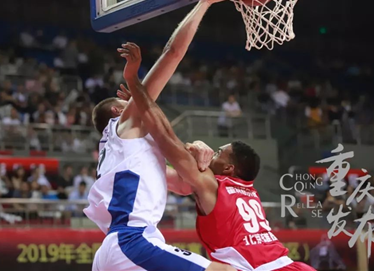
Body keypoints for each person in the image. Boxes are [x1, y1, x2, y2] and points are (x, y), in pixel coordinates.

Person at [123, 43, 316, 271]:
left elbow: (166, 138)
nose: (212, 154)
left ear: (228, 169)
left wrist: (137, 87)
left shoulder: (214, 185)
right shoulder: (249, 191)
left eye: (218, 153)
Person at [85, 0, 235, 271]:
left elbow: (184, 184)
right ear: (119, 112)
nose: (134, 101)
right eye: (126, 102)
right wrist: (206, 2)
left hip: (113, 250)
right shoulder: (125, 121)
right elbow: (173, 53)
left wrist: (201, 160)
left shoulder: (122, 157)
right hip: (133, 242)